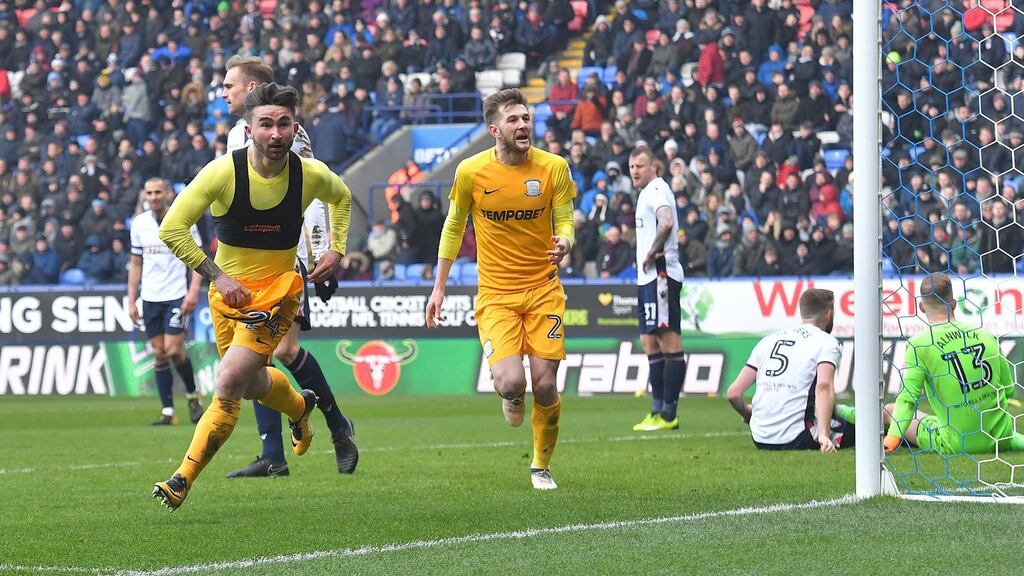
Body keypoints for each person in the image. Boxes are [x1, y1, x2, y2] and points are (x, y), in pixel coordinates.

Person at [152, 82, 352, 510]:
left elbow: (342, 196)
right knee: (250, 384)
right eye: (266, 125)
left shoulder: (308, 173)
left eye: (283, 124)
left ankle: (181, 478)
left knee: (226, 383)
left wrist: (337, 249)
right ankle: (300, 407)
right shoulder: (222, 172)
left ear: (294, 126)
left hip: (278, 294)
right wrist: (218, 277)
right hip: (228, 296)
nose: (276, 134)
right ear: (248, 130)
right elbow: (170, 228)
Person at [424, 89, 576, 490]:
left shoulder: (554, 167)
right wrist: (439, 287)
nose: (523, 124)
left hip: (544, 289)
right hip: (496, 295)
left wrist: (566, 241)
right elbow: (454, 227)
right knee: (512, 382)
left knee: (545, 384)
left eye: (526, 118)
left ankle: (540, 466)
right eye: (513, 120)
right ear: (494, 129)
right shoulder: (471, 171)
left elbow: (565, 219)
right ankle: (510, 397)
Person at [221, 55, 358, 478]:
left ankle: (336, 426)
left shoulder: (284, 138)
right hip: (251, 259)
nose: (223, 92)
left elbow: (315, 195)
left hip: (285, 258)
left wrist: (322, 253)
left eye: (229, 85)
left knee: (281, 350)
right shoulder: (243, 136)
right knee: (255, 356)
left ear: (251, 88)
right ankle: (274, 455)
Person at [883, 273, 1024, 455]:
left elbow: (907, 400)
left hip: (956, 444)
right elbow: (1009, 389)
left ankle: (842, 417)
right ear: (954, 304)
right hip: (1001, 438)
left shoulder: (919, 344)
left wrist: (892, 440)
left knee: (889, 410)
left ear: (921, 307)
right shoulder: (985, 334)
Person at [725, 289, 854, 452]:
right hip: (797, 437)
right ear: (829, 314)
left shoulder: (768, 340)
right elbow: (824, 387)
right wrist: (823, 435)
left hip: (759, 437)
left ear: (802, 313)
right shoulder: (827, 342)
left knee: (834, 412)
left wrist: (747, 414)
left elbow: (733, 393)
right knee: (865, 430)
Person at [128, 177, 206, 426]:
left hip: (176, 295)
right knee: (159, 354)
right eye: (149, 192)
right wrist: (131, 300)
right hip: (150, 297)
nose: (153, 197)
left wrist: (193, 291)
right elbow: (136, 263)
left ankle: (193, 395)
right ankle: (168, 412)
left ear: (167, 194)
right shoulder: (139, 224)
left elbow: (197, 259)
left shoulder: (182, 219)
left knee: (173, 350)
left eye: (158, 192)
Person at [627, 148, 687, 432]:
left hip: (661, 274)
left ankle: (668, 414)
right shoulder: (645, 192)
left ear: (654, 166)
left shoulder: (658, 190)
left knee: (668, 341)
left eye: (640, 165)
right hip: (646, 277)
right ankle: (656, 410)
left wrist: (651, 254)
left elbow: (667, 222)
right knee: (650, 343)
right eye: (631, 166)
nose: (634, 171)